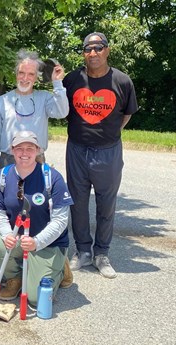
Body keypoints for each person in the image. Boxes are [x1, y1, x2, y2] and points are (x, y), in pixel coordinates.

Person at [64, 32, 138, 278]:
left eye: (98, 48)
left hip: (108, 151)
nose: (93, 53)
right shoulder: (72, 79)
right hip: (76, 149)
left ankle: (101, 254)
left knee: (107, 203)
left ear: (107, 50)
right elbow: (62, 107)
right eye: (88, 49)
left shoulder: (122, 81)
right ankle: (83, 251)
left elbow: (126, 113)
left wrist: (108, 133)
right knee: (77, 202)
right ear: (83, 52)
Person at [0, 131, 73, 306]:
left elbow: (61, 220)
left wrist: (37, 242)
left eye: (29, 148)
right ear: (12, 150)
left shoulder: (52, 178)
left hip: (48, 244)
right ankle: (15, 277)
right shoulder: (2, 177)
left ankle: (61, 268)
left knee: (35, 299)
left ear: (38, 150)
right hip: (19, 237)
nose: (24, 153)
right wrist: (6, 234)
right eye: (19, 148)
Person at [0, 49, 69, 181]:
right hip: (8, 162)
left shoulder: (44, 98)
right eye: (21, 73)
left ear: (36, 77)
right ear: (16, 74)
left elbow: (62, 112)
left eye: (31, 74)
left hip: (37, 161)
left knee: (37, 201)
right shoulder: (3, 101)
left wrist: (57, 83)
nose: (25, 78)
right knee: (8, 201)